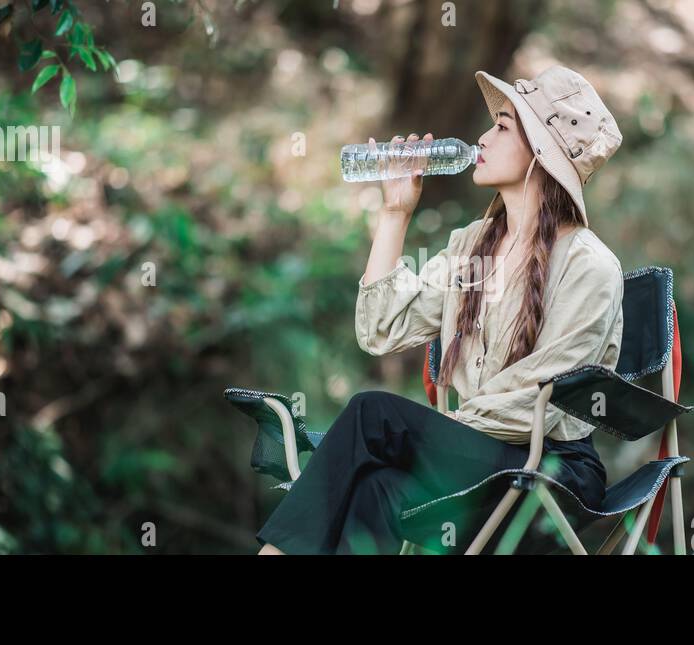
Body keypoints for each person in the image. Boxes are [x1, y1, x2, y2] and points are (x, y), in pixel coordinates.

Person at [257, 65, 626, 555]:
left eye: (501, 127)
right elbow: (381, 330)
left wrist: (431, 436)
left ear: (541, 151)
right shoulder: (473, 246)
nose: (482, 138)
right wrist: (394, 214)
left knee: (373, 414)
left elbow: (541, 397)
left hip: (549, 474)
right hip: (478, 462)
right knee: (373, 490)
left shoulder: (589, 265)